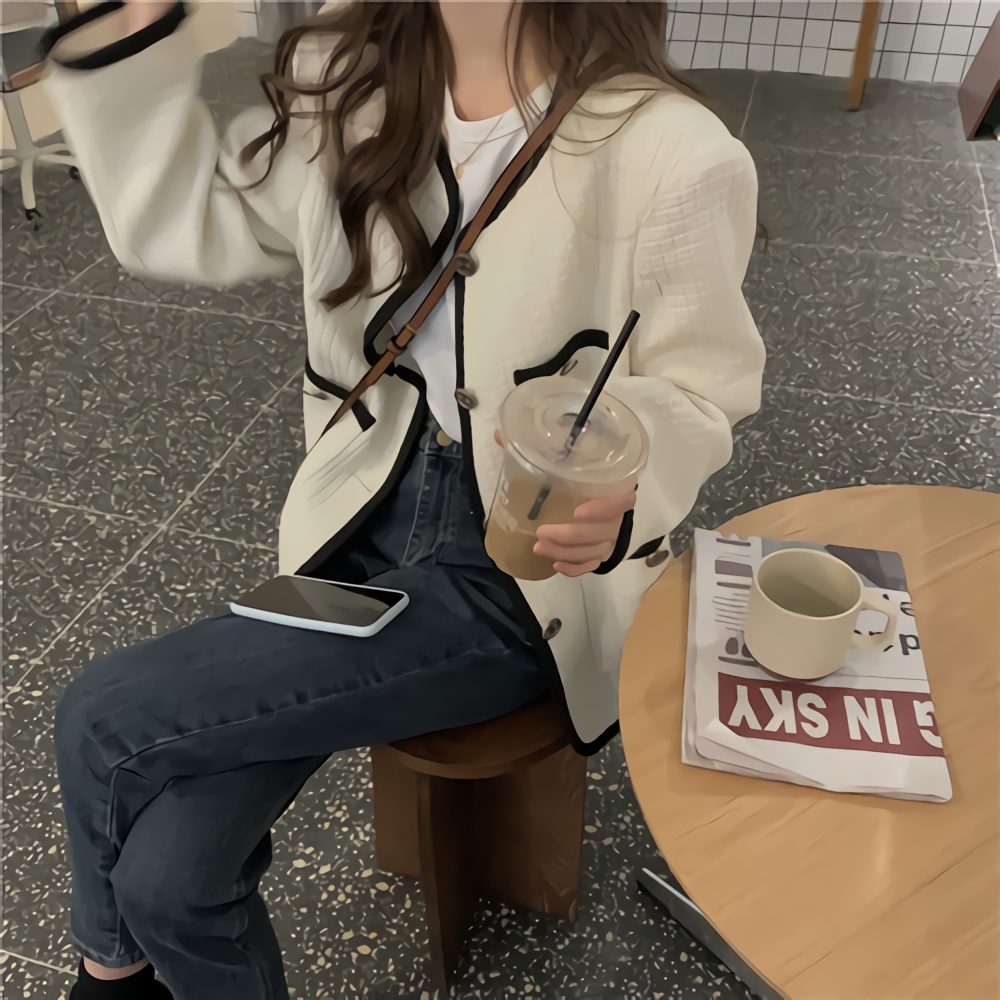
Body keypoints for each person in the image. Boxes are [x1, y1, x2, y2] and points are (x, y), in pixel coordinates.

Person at [40, 2, 765, 998]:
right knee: (169, 881)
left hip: (518, 571)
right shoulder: (350, 81)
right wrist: (129, 30)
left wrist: (625, 480)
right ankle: (123, 961)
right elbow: (188, 221)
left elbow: (701, 387)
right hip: (361, 506)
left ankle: (106, 975)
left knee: (102, 716)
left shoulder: (669, 150)